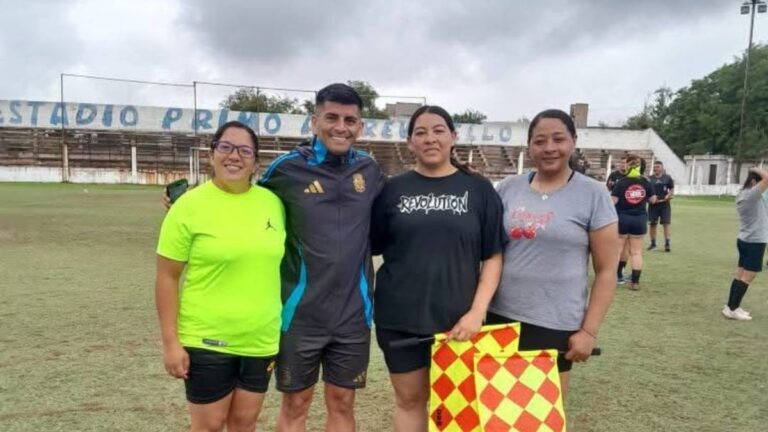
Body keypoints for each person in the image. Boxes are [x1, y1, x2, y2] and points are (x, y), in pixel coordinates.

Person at [259, 83, 385, 432]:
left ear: (360, 126)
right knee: (296, 404)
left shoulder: (370, 171)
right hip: (300, 314)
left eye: (350, 119)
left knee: (342, 403)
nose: (340, 127)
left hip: (353, 314)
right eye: (331, 117)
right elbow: (245, 203)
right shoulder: (286, 169)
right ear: (314, 121)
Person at [371, 106, 506, 431]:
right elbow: (373, 246)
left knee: (459, 405)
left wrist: (477, 312)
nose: (430, 138)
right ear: (409, 142)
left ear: (453, 136)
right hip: (399, 318)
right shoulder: (392, 189)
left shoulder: (479, 190)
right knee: (409, 401)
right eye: (421, 132)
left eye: (438, 130)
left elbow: (493, 256)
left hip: (459, 322)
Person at [155, 121, 285, 432]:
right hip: (207, 340)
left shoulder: (274, 204)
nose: (234, 156)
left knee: (244, 424)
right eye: (225, 147)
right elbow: (166, 278)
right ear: (212, 154)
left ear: (256, 161)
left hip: (261, 339)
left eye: (244, 150)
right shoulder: (187, 207)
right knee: (209, 426)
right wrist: (171, 343)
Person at [487, 109, 618, 397]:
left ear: (573, 141)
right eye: (540, 140)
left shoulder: (593, 194)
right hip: (498, 317)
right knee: (497, 413)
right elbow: (488, 252)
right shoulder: (508, 189)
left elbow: (607, 271)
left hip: (555, 322)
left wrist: (589, 331)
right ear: (530, 145)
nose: (549, 148)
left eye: (558, 139)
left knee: (541, 417)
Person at [721, 167, 768, 321]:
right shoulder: (751, 194)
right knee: (748, 276)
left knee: (740, 275)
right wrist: (756, 168)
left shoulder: (743, 194)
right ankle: (733, 309)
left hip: (745, 239)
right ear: (754, 181)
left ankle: (730, 306)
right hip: (755, 241)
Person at [611, 154, 657, 290]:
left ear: (628, 166)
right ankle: (635, 282)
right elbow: (653, 200)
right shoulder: (645, 182)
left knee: (618, 250)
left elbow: (612, 201)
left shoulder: (622, 182)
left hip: (622, 219)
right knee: (636, 252)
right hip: (639, 219)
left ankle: (614, 277)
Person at [647, 161, 674, 252]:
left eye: (658, 167)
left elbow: (672, 188)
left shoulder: (667, 178)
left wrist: (669, 195)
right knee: (653, 224)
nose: (656, 169)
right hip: (653, 205)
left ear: (662, 168)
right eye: (655, 167)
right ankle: (653, 244)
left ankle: (667, 243)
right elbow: (646, 191)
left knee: (666, 224)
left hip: (664, 205)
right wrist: (650, 199)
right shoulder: (649, 179)